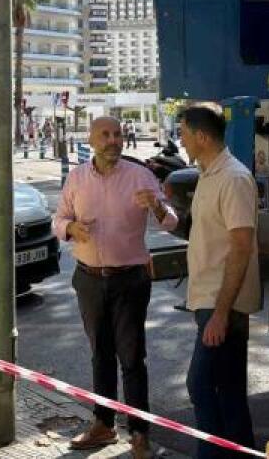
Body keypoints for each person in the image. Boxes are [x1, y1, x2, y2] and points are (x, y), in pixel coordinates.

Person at [53, 116, 177, 459]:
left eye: (118, 134)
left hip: (129, 281)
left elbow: (172, 222)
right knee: (100, 355)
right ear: (91, 140)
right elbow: (58, 219)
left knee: (132, 358)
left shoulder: (140, 175)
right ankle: (103, 425)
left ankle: (139, 434)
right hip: (89, 278)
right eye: (105, 135)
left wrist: (155, 204)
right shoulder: (77, 178)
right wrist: (70, 229)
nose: (113, 140)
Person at [177, 105, 261, 459]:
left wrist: (221, 314)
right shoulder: (209, 173)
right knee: (227, 390)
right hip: (207, 300)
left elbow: (241, 248)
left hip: (221, 303)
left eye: (183, 132)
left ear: (202, 136)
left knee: (199, 385)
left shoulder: (233, 178)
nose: (180, 139)